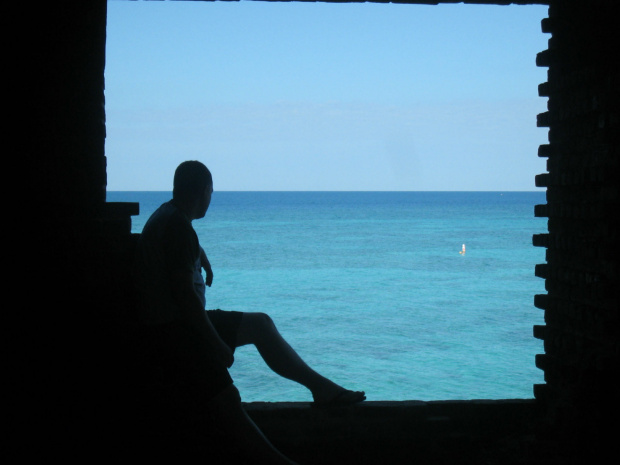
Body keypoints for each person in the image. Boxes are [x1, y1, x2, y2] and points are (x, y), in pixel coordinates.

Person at [133, 160, 364, 462]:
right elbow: (184, 297)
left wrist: (200, 254)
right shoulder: (179, 230)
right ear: (204, 191)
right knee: (227, 402)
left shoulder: (169, 218)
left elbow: (173, 257)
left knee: (261, 325)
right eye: (211, 192)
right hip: (176, 333)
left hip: (176, 324)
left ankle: (321, 388)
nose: (210, 199)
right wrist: (215, 344)